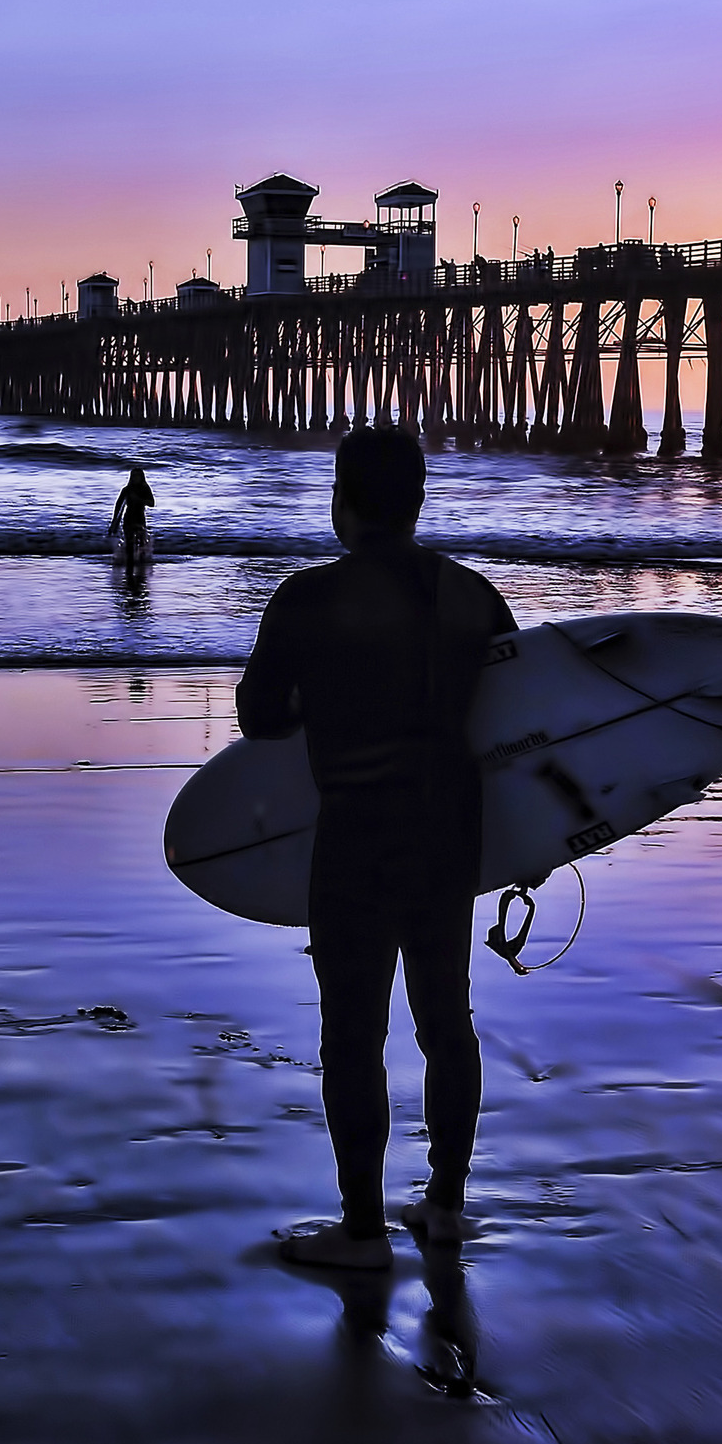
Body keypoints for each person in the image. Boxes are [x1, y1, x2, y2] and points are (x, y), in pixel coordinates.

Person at [236, 427, 516, 1271]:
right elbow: (520, 722)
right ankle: (443, 1205)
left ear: (342, 500)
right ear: (420, 499)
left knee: (353, 1035)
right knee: (445, 1023)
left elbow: (258, 715)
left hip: (357, 836)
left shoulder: (305, 599)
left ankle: (362, 1232)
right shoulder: (470, 594)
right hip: (448, 834)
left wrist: (310, 699)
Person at [108, 461, 155, 562]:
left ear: (141, 477)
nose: (135, 478)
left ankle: (141, 563)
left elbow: (152, 503)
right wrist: (114, 521)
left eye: (137, 476)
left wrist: (138, 499)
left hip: (140, 518)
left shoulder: (145, 489)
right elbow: (118, 505)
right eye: (133, 476)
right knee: (129, 542)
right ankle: (129, 565)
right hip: (129, 517)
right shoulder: (126, 489)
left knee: (142, 543)